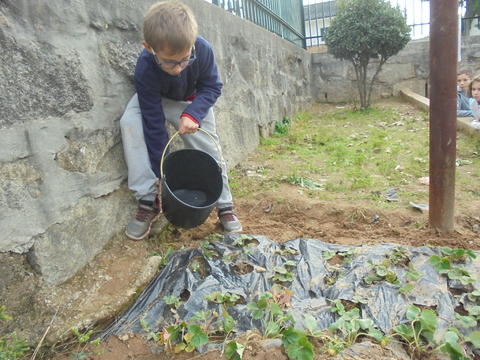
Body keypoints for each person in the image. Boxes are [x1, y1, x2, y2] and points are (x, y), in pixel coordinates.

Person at [120, 0, 242, 240]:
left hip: (192, 101)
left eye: (185, 60)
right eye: (168, 62)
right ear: (149, 47)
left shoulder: (202, 49)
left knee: (208, 145)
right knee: (130, 124)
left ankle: (224, 205)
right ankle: (148, 200)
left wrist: (193, 114)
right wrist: (164, 177)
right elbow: (154, 124)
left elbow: (212, 87)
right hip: (155, 100)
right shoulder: (145, 68)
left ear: (193, 45)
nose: (177, 69)